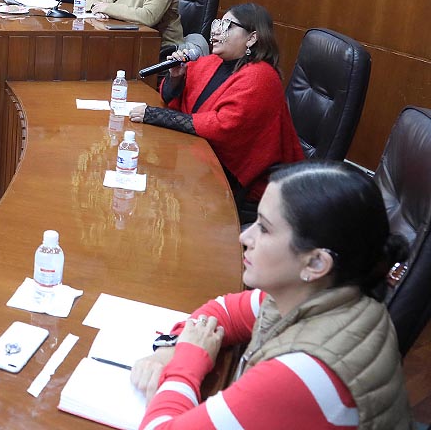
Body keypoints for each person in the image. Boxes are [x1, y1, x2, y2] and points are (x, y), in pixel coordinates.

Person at [131, 161, 412, 429]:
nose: (245, 238)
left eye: (264, 228)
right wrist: (169, 349)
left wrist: (186, 363)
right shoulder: (318, 293)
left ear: (316, 263)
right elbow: (223, 312)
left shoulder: (303, 373)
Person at [129, 3, 303, 208]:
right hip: (199, 163)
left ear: (252, 38)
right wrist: (176, 78)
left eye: (227, 25)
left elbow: (222, 125)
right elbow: (172, 98)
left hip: (243, 183)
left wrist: (154, 116)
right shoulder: (211, 62)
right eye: (218, 23)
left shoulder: (261, 76)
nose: (217, 31)